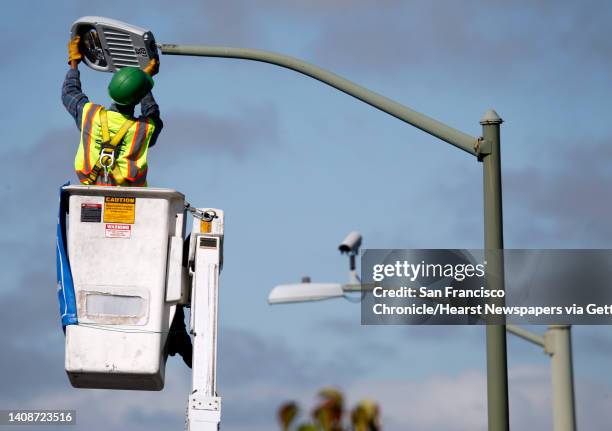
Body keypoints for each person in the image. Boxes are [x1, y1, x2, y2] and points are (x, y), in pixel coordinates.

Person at [62, 36, 193, 367]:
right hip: (134, 214)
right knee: (157, 271)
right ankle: (176, 333)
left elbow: (70, 96)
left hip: (88, 213)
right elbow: (153, 115)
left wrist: (74, 64)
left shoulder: (90, 117)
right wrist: (147, 81)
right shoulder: (142, 132)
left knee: (89, 274)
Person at [62, 35, 163, 186]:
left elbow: (69, 93)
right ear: (139, 97)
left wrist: (74, 62)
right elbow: (152, 112)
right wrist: (143, 80)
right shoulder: (145, 129)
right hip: (132, 200)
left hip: (91, 191)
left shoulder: (90, 115)